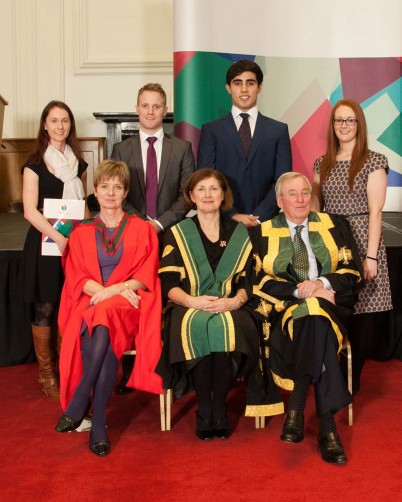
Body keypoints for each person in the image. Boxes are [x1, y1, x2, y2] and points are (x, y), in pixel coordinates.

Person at [156, 168, 283, 441]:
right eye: (201, 189)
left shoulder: (241, 232)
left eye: (214, 188)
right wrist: (192, 301)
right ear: (191, 196)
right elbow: (168, 284)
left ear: (223, 194)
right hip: (188, 303)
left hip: (232, 303)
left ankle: (219, 406)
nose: (208, 195)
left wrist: (235, 301)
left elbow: (251, 278)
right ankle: (204, 407)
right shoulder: (177, 233)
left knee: (232, 326)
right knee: (195, 325)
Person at [250, 172, 363, 464]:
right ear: (279, 201)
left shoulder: (335, 225)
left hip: (331, 304)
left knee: (315, 314)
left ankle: (296, 409)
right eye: (292, 194)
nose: (301, 200)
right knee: (313, 315)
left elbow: (352, 272)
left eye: (304, 193)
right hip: (286, 308)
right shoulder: (261, 233)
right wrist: (301, 292)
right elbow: (257, 281)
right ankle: (328, 430)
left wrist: (321, 284)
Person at [55, 160, 162, 456]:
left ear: (126, 192)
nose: (111, 193)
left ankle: (81, 405)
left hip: (129, 304)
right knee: (100, 325)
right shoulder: (81, 232)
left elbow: (146, 275)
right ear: (95, 192)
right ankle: (98, 422)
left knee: (101, 318)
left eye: (117, 187)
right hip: (92, 302)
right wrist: (103, 294)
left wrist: (116, 290)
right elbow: (76, 275)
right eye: (105, 187)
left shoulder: (143, 229)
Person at [111, 82, 195, 394]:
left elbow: (188, 196)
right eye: (145, 105)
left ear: (164, 110)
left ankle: (176, 372)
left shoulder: (182, 149)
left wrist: (158, 224)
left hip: (171, 236)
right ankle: (130, 373)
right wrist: (140, 223)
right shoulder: (121, 150)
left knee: (171, 300)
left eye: (156, 106)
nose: (150, 111)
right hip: (132, 237)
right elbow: (116, 191)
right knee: (134, 298)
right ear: (137, 109)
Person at [312, 98, 392, 394]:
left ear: (359, 124)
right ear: (332, 126)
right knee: (335, 309)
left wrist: (370, 256)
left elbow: (376, 212)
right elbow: (318, 208)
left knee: (365, 316)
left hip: (363, 237)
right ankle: (332, 376)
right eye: (338, 120)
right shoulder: (322, 162)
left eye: (349, 120)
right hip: (332, 241)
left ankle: (352, 379)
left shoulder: (373, 160)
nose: (343, 126)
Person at [21, 100, 88, 399]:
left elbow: (82, 207)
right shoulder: (34, 163)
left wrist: (80, 238)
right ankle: (46, 373)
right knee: (46, 306)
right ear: (44, 125)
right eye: (54, 120)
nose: (60, 126)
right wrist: (58, 238)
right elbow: (29, 211)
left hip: (74, 244)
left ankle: (65, 366)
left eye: (65, 121)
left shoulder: (79, 164)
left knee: (68, 304)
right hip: (45, 243)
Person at [197, 59, 292, 226]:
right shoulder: (212, 131)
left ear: (259, 87)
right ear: (228, 88)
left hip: (266, 222)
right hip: (223, 222)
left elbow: (282, 181)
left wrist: (260, 216)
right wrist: (232, 214)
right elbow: (206, 180)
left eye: (250, 83)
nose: (244, 89)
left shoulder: (278, 130)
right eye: (237, 83)